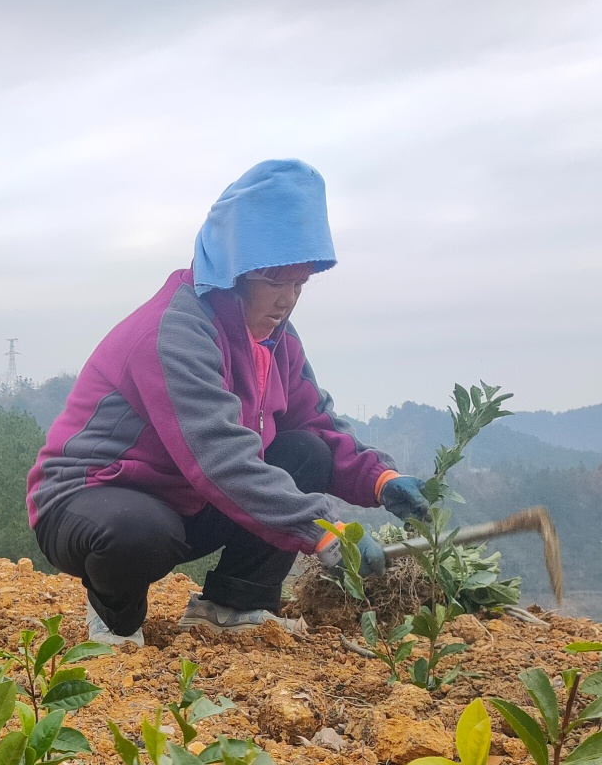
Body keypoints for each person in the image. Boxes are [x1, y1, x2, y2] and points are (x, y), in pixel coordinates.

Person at [28, 159, 422, 644]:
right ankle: (115, 619)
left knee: (306, 453)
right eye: (275, 281)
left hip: (187, 502)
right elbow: (221, 459)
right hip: (89, 498)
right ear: (234, 273)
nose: (288, 300)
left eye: (299, 283)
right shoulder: (174, 333)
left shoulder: (276, 340)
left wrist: (381, 479)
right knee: (137, 533)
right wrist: (325, 530)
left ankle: (233, 604)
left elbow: (317, 424)